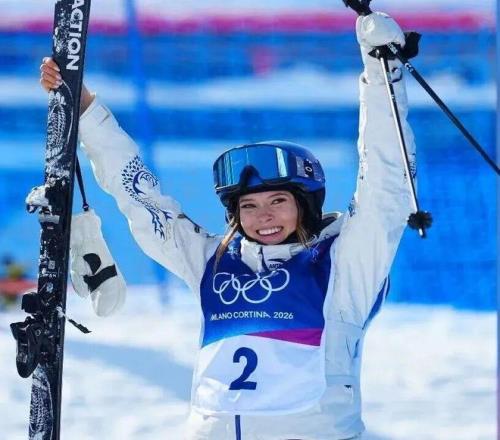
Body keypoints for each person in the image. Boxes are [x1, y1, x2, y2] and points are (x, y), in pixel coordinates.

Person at [40, 11, 415, 440]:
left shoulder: (345, 267)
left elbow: (386, 188)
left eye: (278, 201)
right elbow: (139, 195)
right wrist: (85, 108)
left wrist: (381, 73)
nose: (263, 216)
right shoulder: (211, 261)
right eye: (248, 206)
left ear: (307, 205)